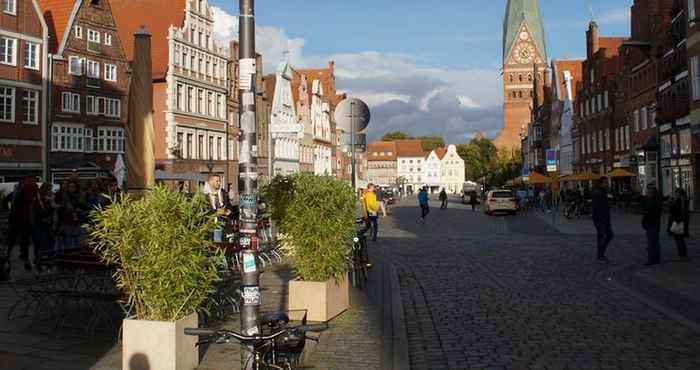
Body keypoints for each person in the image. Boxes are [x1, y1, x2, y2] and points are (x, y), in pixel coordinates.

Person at [31, 183, 54, 272]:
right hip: (39, 225)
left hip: (48, 224)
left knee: (49, 245)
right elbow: (36, 211)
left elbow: (52, 210)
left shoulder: (50, 199)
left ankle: (47, 264)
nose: (50, 191)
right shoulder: (38, 199)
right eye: (48, 189)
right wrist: (43, 218)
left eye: (50, 189)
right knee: (40, 244)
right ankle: (39, 263)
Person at [591, 177, 614, 262]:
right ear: (601, 183)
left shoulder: (603, 192)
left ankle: (600, 254)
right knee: (603, 236)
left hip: (605, 219)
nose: (607, 184)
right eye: (605, 182)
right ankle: (600, 255)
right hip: (600, 219)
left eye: (607, 182)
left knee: (607, 235)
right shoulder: (598, 193)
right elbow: (597, 208)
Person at [642, 185, 663, 266]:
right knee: (655, 242)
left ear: (652, 193)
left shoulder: (652, 201)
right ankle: (656, 258)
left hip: (651, 223)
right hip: (655, 223)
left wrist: (645, 220)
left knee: (651, 242)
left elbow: (649, 212)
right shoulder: (654, 200)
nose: (647, 192)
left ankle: (652, 259)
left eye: (648, 191)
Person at [667, 188, 690, 261]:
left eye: (676, 193)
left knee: (679, 240)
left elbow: (673, 210)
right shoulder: (685, 200)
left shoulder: (678, 200)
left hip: (678, 222)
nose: (675, 194)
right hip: (683, 222)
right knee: (681, 239)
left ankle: (682, 255)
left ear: (679, 193)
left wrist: (671, 203)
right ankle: (683, 255)